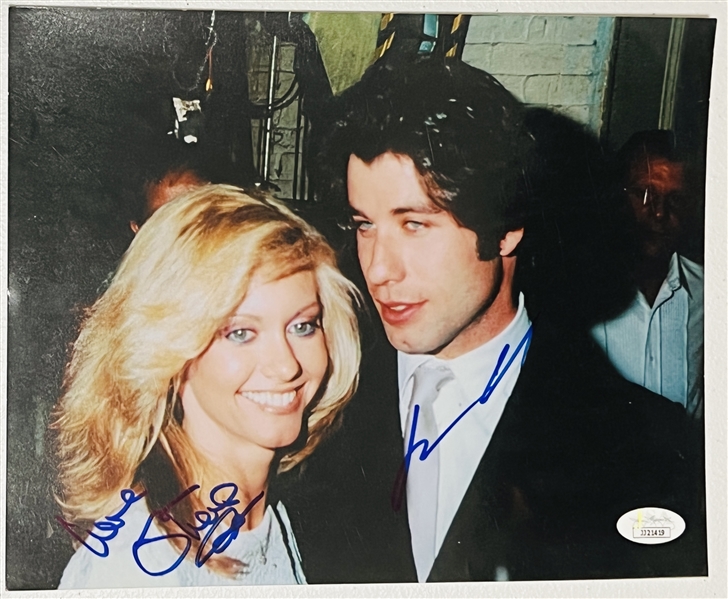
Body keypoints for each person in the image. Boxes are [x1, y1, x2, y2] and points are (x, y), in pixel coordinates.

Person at [276, 56, 705, 583]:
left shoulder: (642, 448)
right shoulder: (305, 399)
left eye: (414, 224)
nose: (378, 269)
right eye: (365, 226)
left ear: (506, 227)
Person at [52, 184, 361, 588]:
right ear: (172, 351)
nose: (286, 365)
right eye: (240, 333)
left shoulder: (266, 520)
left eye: (302, 326)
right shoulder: (140, 562)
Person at [590, 130, 704, 419]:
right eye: (645, 194)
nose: (658, 213)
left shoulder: (708, 294)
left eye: (676, 199)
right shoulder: (575, 289)